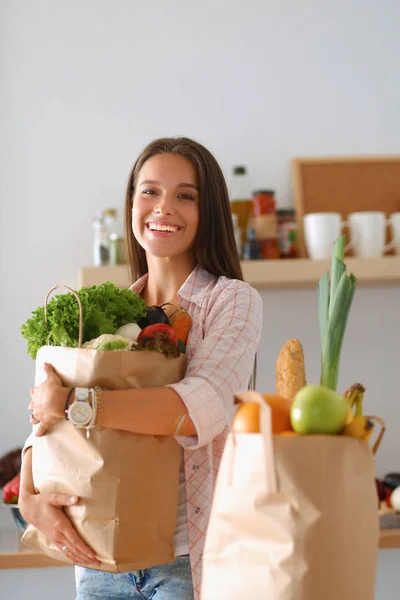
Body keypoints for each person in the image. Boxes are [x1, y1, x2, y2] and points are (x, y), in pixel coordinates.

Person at [20, 137, 263, 600]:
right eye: (149, 191)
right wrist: (31, 498)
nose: (163, 207)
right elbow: (43, 419)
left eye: (185, 195)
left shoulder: (230, 301)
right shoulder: (106, 311)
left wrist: (75, 402)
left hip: (189, 559)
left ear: (207, 210)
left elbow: (200, 407)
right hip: (97, 554)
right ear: (131, 203)